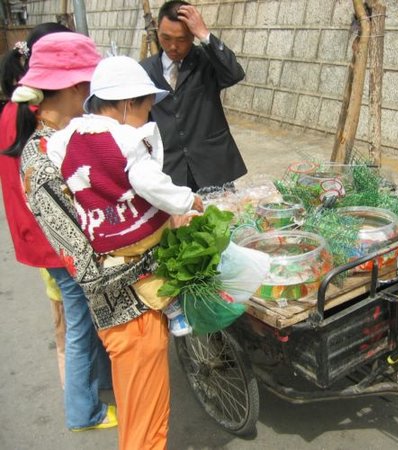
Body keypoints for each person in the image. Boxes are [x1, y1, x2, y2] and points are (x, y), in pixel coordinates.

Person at [16, 32, 171, 449]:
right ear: (75, 88)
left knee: (149, 417)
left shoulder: (77, 140)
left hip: (141, 302)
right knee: (145, 428)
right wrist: (157, 255)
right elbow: (84, 263)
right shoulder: (44, 158)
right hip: (126, 307)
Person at [0, 25, 114, 428]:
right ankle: (83, 411)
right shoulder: (46, 142)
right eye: (85, 85)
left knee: (87, 318)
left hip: (40, 240)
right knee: (80, 326)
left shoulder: (19, 115)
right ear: (68, 87)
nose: (88, 94)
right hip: (58, 247)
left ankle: (103, 387)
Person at [48, 55, 204, 337]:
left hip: (103, 234)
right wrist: (186, 199)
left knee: (136, 271)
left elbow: (56, 156)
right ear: (129, 104)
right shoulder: (124, 140)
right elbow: (150, 182)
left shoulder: (67, 136)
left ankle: (167, 308)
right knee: (167, 252)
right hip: (137, 229)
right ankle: (175, 309)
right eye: (146, 110)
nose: (147, 117)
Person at [140, 0, 247, 190]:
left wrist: (204, 34)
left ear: (192, 36)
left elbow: (234, 74)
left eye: (181, 40)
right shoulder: (144, 70)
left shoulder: (206, 61)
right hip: (170, 170)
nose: (173, 46)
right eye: (166, 38)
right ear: (157, 30)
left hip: (213, 165)